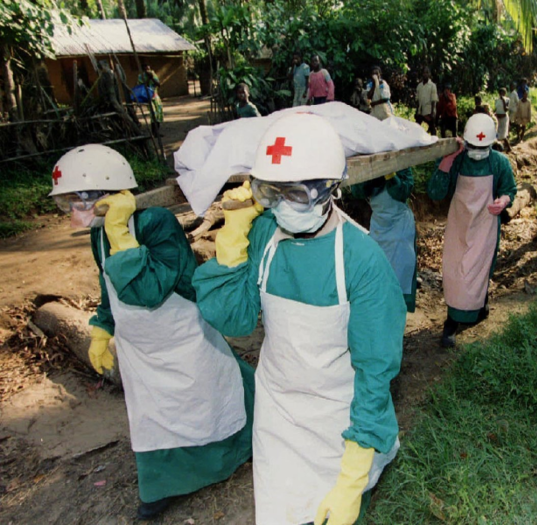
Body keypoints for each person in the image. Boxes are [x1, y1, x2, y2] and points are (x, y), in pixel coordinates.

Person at [191, 113, 404, 525]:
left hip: (337, 421)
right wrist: (232, 238)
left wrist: (352, 474)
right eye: (271, 193)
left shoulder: (361, 261)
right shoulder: (264, 235)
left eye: (296, 195)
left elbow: (375, 374)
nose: (281, 207)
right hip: (278, 413)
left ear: (329, 190)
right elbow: (233, 320)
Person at [48, 145, 254, 520]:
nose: (71, 215)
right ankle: (160, 485)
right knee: (153, 416)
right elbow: (109, 283)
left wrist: (122, 235)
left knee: (209, 400)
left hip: (182, 334)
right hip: (139, 346)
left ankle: (233, 454)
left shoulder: (154, 223)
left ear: (103, 196)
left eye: (74, 204)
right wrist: (100, 327)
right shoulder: (98, 234)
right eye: (66, 205)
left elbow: (147, 290)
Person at [427, 113, 517, 348]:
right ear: (465, 142)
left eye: (482, 146)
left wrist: (504, 201)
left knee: (481, 269)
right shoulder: (457, 160)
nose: (478, 150)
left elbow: (509, 188)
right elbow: (435, 193)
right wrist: (447, 161)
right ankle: (452, 321)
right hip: (460, 224)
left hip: (486, 225)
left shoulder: (499, 162)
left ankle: (480, 304)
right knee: (457, 272)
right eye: (473, 146)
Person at [351, 169, 417, 312]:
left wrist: (391, 175)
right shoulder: (371, 164)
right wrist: (372, 177)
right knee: (378, 273)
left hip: (400, 227)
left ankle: (398, 315)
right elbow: (357, 191)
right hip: (379, 227)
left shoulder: (402, 165)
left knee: (401, 272)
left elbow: (403, 191)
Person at [137, 63, 163, 132]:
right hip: (148, 97)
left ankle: (157, 131)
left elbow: (158, 84)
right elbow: (144, 87)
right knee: (153, 114)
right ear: (144, 70)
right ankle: (154, 132)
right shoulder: (141, 77)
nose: (148, 70)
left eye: (149, 69)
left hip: (155, 96)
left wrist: (152, 78)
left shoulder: (153, 74)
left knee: (159, 113)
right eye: (146, 69)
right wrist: (148, 78)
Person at [415, 66, 439, 135]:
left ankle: (435, 142)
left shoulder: (432, 86)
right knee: (416, 127)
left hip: (428, 111)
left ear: (429, 74)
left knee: (432, 127)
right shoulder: (419, 86)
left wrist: (433, 112)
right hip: (420, 110)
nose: (425, 74)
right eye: (424, 72)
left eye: (427, 72)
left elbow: (434, 100)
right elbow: (417, 100)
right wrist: (417, 111)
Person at [494, 87, 511, 151]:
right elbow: (496, 109)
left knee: (503, 134)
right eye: (501, 93)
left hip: (504, 118)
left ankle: (509, 147)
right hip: (498, 118)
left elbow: (506, 109)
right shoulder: (496, 100)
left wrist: (503, 100)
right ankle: (498, 148)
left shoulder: (507, 100)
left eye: (503, 93)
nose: (502, 94)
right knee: (497, 133)